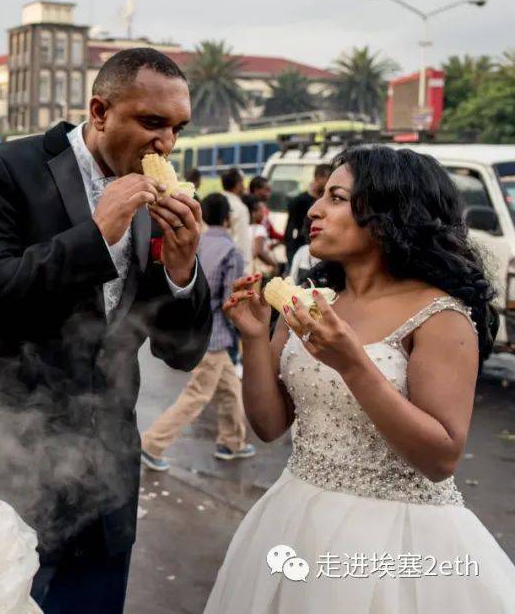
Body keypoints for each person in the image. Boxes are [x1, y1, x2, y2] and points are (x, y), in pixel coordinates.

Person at [0, 48, 213, 614]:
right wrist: (96, 232)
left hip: (105, 478)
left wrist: (182, 270)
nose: (167, 145)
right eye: (152, 123)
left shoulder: (156, 197)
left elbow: (179, 352)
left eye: (177, 129)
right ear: (100, 110)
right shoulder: (6, 168)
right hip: (4, 461)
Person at [211, 147, 515, 613]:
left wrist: (353, 364)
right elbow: (270, 426)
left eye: (335, 198)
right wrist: (254, 339)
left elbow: (441, 457)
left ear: (387, 215)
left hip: (397, 540)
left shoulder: (440, 315)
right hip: (295, 518)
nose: (314, 209)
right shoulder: (315, 301)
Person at [139, 193, 254, 472]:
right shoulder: (232, 252)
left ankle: (232, 441)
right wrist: (237, 336)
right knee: (197, 396)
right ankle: (152, 444)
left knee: (229, 389)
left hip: (200, 329)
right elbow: (231, 302)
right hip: (215, 337)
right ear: (228, 219)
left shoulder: (196, 242)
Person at [284, 163, 333, 263]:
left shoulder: (328, 200)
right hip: (301, 254)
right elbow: (290, 232)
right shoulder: (298, 201)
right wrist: (292, 257)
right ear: (318, 177)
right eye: (329, 178)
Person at [221, 167, 252, 264]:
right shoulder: (240, 208)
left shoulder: (216, 201)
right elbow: (241, 242)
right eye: (242, 182)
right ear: (238, 185)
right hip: (232, 264)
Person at [243, 193, 278, 277]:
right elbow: (258, 251)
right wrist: (274, 264)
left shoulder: (243, 228)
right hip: (258, 271)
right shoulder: (259, 229)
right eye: (261, 211)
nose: (263, 214)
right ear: (253, 213)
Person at [248, 174, 282, 243]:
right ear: (256, 190)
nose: (269, 193)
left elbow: (271, 232)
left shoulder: (264, 208)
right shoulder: (247, 208)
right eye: (266, 190)